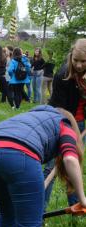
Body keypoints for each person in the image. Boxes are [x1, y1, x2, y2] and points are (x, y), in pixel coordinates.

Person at [44, 38, 86, 208]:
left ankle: (76, 206)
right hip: (61, 124)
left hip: (82, 125)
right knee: (51, 168)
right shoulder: (63, 76)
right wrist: (71, 132)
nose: (78, 65)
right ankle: (39, 210)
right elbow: (59, 109)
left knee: (73, 165)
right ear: (71, 56)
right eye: (75, 60)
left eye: (83, 61)